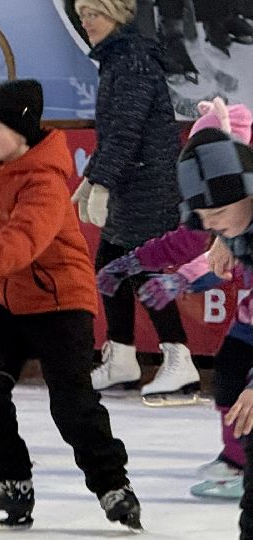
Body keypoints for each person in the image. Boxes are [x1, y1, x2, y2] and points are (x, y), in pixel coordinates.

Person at [0, 79, 142, 531]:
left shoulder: (44, 180)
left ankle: (113, 485)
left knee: (71, 405)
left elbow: (24, 239)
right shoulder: (0, 169)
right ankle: (11, 481)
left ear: (22, 130)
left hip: (61, 303)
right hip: (13, 301)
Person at [98, 98, 253, 500]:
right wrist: (130, 263)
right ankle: (237, 461)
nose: (209, 224)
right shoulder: (226, 213)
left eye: (216, 214)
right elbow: (184, 244)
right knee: (231, 371)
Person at [73, 0, 194, 403]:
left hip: (147, 183)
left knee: (140, 267)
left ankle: (180, 359)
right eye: (83, 14)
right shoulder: (117, 58)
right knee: (110, 266)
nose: (87, 21)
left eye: (95, 13)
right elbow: (114, 133)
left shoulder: (132, 61)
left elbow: (127, 131)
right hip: (133, 179)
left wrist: (102, 181)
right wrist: (92, 179)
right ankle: (123, 357)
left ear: (117, 14)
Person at [175, 126, 253, 540]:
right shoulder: (236, 222)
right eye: (205, 217)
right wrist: (225, 238)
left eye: (220, 214)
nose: (212, 224)